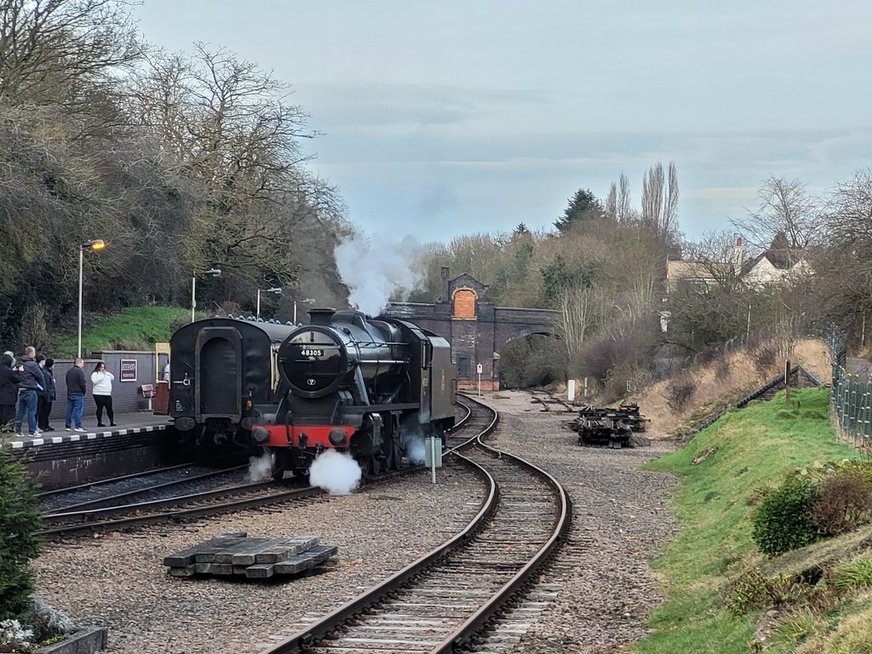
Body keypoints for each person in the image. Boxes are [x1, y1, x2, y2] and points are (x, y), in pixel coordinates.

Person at [14, 346, 44, 437]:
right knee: (32, 411)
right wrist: (43, 388)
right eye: (34, 352)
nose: (35, 354)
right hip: (31, 390)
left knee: (21, 411)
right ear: (31, 353)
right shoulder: (32, 364)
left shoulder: (20, 363)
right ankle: (32, 431)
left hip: (22, 390)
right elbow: (40, 376)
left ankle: (18, 430)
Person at [0, 353, 23, 432]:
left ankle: (1, 428)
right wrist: (19, 372)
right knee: (9, 413)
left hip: (1, 395)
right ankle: (8, 428)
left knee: (1, 412)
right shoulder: (9, 371)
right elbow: (17, 379)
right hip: (9, 395)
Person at [91, 361, 115, 427]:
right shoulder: (95, 374)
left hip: (107, 393)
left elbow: (112, 377)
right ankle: (99, 422)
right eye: (101, 367)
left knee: (109, 408)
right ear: (98, 367)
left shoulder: (107, 374)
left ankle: (112, 421)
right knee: (100, 407)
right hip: (98, 393)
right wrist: (102, 376)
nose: (103, 369)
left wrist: (106, 373)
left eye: (104, 367)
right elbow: (95, 381)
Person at [65, 358, 86, 432]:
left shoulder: (69, 371)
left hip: (70, 393)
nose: (83, 366)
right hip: (78, 393)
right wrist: (84, 391)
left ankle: (68, 426)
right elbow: (82, 383)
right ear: (79, 363)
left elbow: (67, 382)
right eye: (82, 364)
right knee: (78, 410)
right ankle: (78, 426)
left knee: (69, 410)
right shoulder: (80, 372)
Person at [37, 357, 57, 432]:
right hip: (47, 395)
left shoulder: (48, 372)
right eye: (53, 364)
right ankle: (42, 425)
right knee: (44, 411)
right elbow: (46, 385)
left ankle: (45, 424)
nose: (54, 365)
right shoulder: (46, 373)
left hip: (48, 394)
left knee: (46, 411)